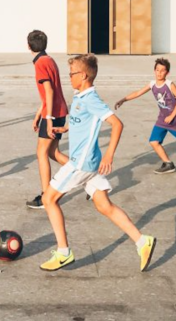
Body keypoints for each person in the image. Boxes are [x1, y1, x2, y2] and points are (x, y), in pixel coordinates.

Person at [39, 53, 156, 272]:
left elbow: (117, 124)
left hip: (81, 163)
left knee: (48, 199)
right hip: (88, 163)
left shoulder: (91, 99)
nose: (69, 77)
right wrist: (65, 128)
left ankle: (64, 252)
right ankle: (142, 241)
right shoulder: (80, 96)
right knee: (104, 205)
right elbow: (84, 122)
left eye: (71, 74)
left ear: (82, 75)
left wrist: (109, 155)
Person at [25, 30, 70, 210]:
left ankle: (46, 196)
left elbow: (50, 91)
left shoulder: (40, 64)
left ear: (28, 46)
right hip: (56, 111)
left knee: (41, 153)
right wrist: (39, 114)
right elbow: (48, 94)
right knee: (53, 153)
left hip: (53, 113)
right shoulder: (49, 60)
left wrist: (48, 119)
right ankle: (88, 177)